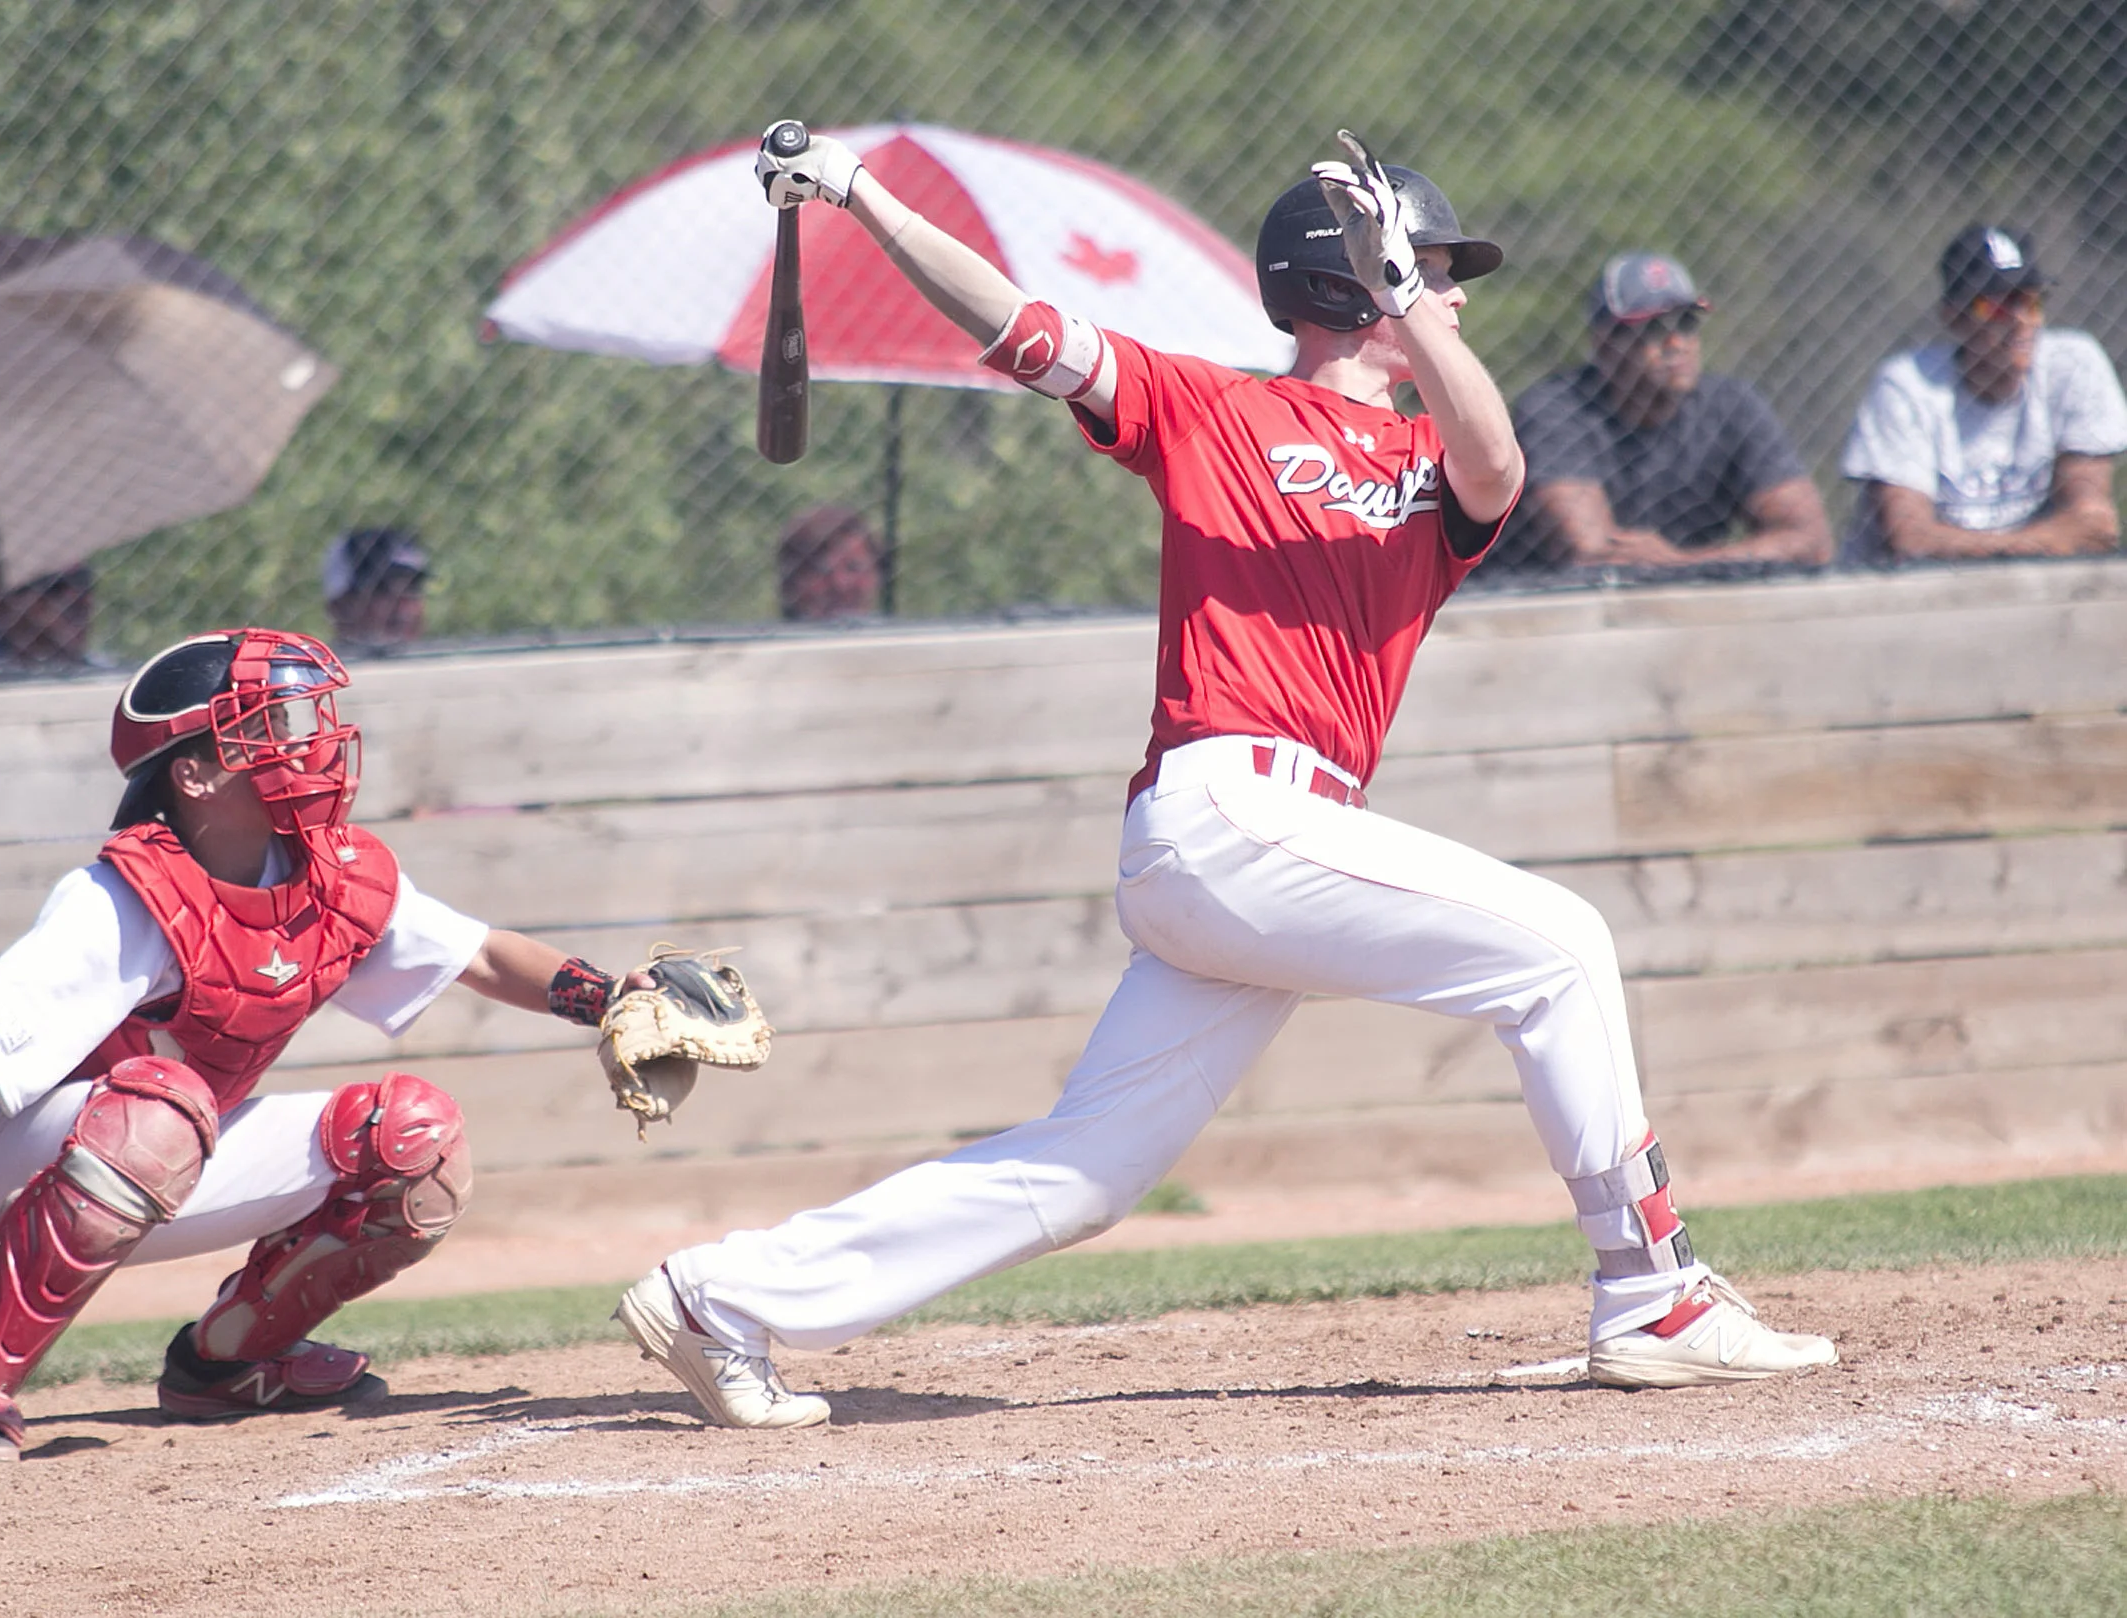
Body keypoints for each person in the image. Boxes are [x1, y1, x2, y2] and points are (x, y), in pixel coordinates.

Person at [600, 124, 1837, 1432]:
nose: (1456, 291)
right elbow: (1016, 322)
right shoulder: (1208, 405)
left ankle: (720, 1296)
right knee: (1564, 946)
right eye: (1428, 266)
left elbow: (1498, 466)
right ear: (1339, 284)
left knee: (1083, 1173)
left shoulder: (1431, 465)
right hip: (1223, 812)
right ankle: (1652, 1292)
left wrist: (1406, 299)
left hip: (1262, 848)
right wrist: (858, 194)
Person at [0, 627, 662, 1469]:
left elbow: (482, 956)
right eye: (265, 729)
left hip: (165, 1146)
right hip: (18, 1167)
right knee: (164, 1100)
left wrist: (609, 999)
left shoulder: (329, 870)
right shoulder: (127, 893)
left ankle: (230, 1363)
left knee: (417, 1134)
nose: (304, 745)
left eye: (298, 721)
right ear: (192, 774)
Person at [1501, 253, 1831, 573]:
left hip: (1685, 605)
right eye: (1654, 328)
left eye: (1686, 323)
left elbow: (1810, 540)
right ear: (1604, 343)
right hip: (1537, 613)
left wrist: (1682, 563)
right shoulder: (1558, 409)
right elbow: (1596, 556)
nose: (1676, 343)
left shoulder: (1732, 406)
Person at [1839, 225, 2127, 566]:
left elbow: (2093, 525)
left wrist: (1976, 547)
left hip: (2034, 591)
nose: (2021, 319)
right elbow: (1912, 539)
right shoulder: (1906, 385)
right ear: (1953, 317)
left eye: (2031, 301)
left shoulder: (2074, 363)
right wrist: (2046, 541)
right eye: (1997, 307)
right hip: (1916, 600)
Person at [0, 566, 117, 677]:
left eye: (85, 582)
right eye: (57, 587)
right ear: (10, 602)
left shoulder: (101, 674)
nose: (82, 599)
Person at [322, 527, 430, 653]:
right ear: (338, 606)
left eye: (412, 587)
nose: (402, 603)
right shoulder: (318, 671)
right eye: (381, 588)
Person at [777, 504, 882, 620]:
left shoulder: (894, 635)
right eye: (822, 570)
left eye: (854, 568)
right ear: (792, 582)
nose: (840, 583)